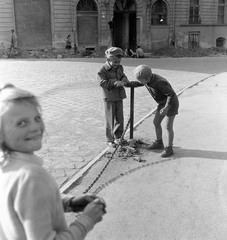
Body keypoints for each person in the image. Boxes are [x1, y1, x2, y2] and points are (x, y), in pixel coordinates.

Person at [0, 84, 106, 240]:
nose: (35, 127)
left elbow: (26, 206)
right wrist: (87, 220)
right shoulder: (31, 177)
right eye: (22, 123)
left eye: (37, 118)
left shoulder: (6, 165)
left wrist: (68, 203)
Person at [133, 65, 179, 157]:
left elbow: (171, 94)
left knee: (168, 127)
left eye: (140, 80)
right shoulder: (148, 79)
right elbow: (140, 83)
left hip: (171, 104)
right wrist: (125, 84)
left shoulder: (159, 82)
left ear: (146, 79)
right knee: (156, 122)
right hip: (162, 103)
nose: (139, 82)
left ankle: (169, 149)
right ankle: (159, 142)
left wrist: (166, 108)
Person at [97, 47, 130, 148]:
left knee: (120, 118)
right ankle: (109, 139)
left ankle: (119, 137)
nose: (117, 64)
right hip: (109, 97)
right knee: (110, 119)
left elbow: (123, 76)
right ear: (108, 60)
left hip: (119, 96)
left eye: (118, 62)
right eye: (114, 62)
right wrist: (115, 82)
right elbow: (102, 83)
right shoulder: (102, 70)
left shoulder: (120, 67)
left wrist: (124, 80)